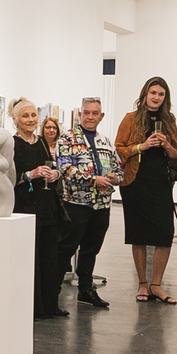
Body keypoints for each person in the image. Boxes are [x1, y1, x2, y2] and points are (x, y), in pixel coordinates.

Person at [116, 76, 177, 303]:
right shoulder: (131, 118)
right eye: (153, 92)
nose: (156, 97)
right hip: (135, 183)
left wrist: (166, 145)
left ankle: (157, 284)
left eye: (161, 94)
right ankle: (142, 285)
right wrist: (142, 146)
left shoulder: (169, 120)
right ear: (145, 94)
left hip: (161, 183)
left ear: (166, 98)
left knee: (165, 234)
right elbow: (119, 149)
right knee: (139, 234)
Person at [56, 96, 123, 309]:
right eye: (87, 113)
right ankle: (52, 292)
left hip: (101, 204)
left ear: (101, 116)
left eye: (95, 113)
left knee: (90, 250)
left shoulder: (106, 141)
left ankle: (86, 289)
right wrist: (93, 179)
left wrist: (115, 178)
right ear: (80, 114)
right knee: (66, 248)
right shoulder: (67, 139)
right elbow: (65, 169)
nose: (90, 117)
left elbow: (119, 170)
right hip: (76, 204)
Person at [10, 100, 66, 318]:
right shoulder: (12, 144)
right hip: (24, 208)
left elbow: (53, 168)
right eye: (25, 116)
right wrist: (28, 175)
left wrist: (55, 174)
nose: (31, 119)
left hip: (47, 207)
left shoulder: (42, 142)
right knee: (29, 259)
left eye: (34, 115)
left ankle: (49, 304)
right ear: (16, 120)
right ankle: (31, 307)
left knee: (49, 257)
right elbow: (6, 177)